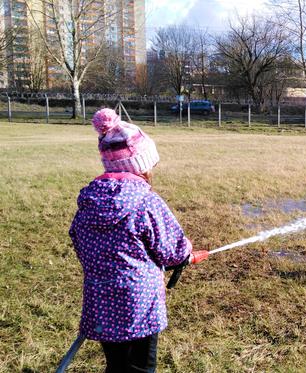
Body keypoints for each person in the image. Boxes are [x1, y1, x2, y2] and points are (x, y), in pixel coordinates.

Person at [69, 108, 192, 373]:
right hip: (139, 302)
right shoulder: (146, 202)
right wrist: (185, 255)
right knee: (141, 366)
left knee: (115, 365)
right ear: (141, 165)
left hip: (100, 299)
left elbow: (78, 240)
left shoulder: (88, 203)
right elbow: (173, 250)